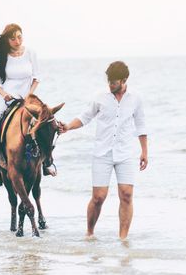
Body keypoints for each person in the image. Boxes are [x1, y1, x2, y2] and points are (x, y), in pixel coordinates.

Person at [59, 61, 148, 240]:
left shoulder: (136, 98)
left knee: (127, 194)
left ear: (124, 80)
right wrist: (68, 126)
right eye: (109, 81)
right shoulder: (100, 97)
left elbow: (141, 124)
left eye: (114, 82)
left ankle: (123, 238)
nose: (110, 85)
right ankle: (90, 233)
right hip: (102, 153)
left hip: (126, 153)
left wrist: (144, 151)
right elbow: (85, 117)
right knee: (99, 197)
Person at [0, 23, 56, 176]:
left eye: (19, 37)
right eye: (13, 38)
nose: (17, 41)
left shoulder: (30, 53)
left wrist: (30, 95)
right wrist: (5, 95)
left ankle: (47, 162)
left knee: (48, 122)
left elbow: (37, 77)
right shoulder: (2, 56)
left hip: (28, 97)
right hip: (8, 96)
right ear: (7, 40)